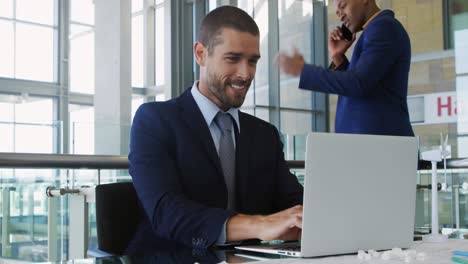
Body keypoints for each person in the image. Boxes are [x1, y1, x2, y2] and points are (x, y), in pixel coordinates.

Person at [127, 5, 303, 254]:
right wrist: (259, 225)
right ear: (201, 54)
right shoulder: (155, 120)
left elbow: (295, 203)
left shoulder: (265, 135)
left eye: (252, 61)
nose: (245, 74)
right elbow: (166, 212)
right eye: (233, 59)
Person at [277, 0, 414, 136]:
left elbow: (358, 83)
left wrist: (303, 70)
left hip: (383, 148)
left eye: (343, 6)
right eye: (337, 12)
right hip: (373, 147)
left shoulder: (384, 27)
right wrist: (338, 56)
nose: (340, 15)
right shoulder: (374, 30)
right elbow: (362, 88)